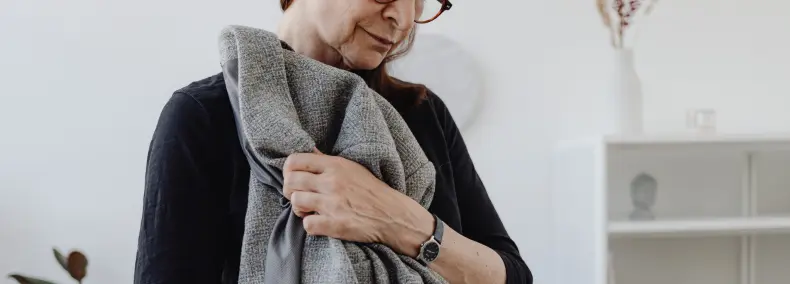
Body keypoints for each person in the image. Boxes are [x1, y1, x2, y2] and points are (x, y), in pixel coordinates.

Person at [134, 0, 533, 283]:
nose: (403, 18)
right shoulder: (204, 116)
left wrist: (399, 222)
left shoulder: (422, 114)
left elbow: (512, 275)